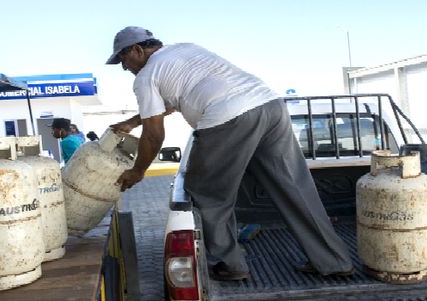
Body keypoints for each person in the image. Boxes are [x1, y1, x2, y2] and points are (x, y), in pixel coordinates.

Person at [106, 26, 353, 281]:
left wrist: (138, 170)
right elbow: (170, 102)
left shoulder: (146, 76)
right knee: (295, 186)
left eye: (123, 60)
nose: (125, 68)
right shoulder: (186, 48)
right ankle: (334, 260)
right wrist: (134, 121)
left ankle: (230, 264)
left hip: (228, 117)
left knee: (207, 191)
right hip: (270, 106)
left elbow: (154, 134)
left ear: (137, 49)